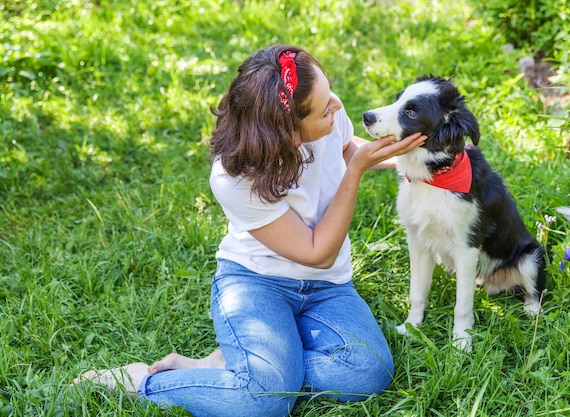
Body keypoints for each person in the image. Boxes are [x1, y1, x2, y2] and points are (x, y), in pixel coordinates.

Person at [74, 44, 426, 417]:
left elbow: (343, 148)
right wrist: (356, 171)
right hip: (258, 282)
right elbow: (316, 253)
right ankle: (143, 383)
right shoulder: (233, 178)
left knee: (368, 370)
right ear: (288, 133)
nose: (337, 108)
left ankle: (244, 368)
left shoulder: (326, 109)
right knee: (262, 405)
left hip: (328, 288)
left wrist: (405, 160)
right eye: (325, 110)